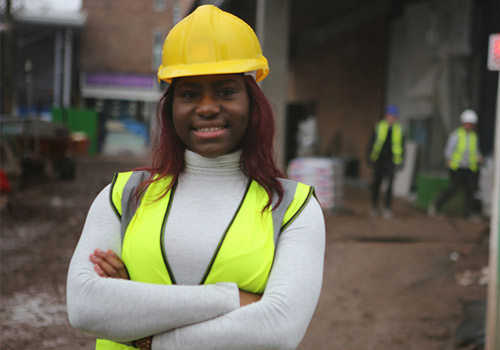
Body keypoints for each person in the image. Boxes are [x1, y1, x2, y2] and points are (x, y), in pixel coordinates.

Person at [66, 5, 325, 350]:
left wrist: (144, 327)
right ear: (171, 107)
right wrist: (234, 299)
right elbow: (84, 307)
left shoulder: (293, 207)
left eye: (225, 91)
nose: (206, 107)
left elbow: (278, 329)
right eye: (189, 94)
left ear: (252, 102)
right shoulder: (124, 195)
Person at [428, 109, 482, 219]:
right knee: (453, 189)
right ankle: (435, 205)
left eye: (471, 124)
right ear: (463, 123)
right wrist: (449, 161)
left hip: (470, 168)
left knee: (470, 190)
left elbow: (476, 151)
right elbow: (448, 150)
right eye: (467, 123)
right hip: (457, 168)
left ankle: (468, 213)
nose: (469, 126)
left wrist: (479, 157)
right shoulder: (456, 135)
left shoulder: (474, 137)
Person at [367, 105, 405, 219]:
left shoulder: (399, 130)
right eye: (390, 116)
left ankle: (387, 208)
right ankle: (374, 207)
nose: (391, 118)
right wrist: (369, 157)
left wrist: (401, 161)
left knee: (390, 186)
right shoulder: (379, 127)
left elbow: (402, 147)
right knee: (376, 184)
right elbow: (372, 142)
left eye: (393, 116)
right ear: (386, 116)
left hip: (391, 161)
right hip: (379, 160)